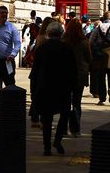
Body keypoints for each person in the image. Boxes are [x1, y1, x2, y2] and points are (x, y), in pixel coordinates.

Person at [30, 21, 77, 156]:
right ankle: (57, 140)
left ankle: (46, 148)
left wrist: (34, 90)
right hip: (63, 88)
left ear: (49, 33)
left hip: (45, 87)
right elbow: (73, 71)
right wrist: (73, 88)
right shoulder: (67, 49)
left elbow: (35, 72)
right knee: (64, 115)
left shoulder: (41, 49)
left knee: (46, 118)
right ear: (61, 33)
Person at [0, 5, 21, 118]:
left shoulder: (11, 27)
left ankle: (12, 109)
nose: (4, 15)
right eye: (2, 13)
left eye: (6, 13)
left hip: (7, 62)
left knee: (10, 85)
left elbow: (17, 43)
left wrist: (12, 55)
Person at [62, 17, 92, 136]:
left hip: (65, 75)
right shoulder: (84, 42)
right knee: (76, 103)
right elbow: (89, 59)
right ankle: (75, 129)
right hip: (80, 75)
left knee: (65, 102)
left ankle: (63, 128)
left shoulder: (64, 41)